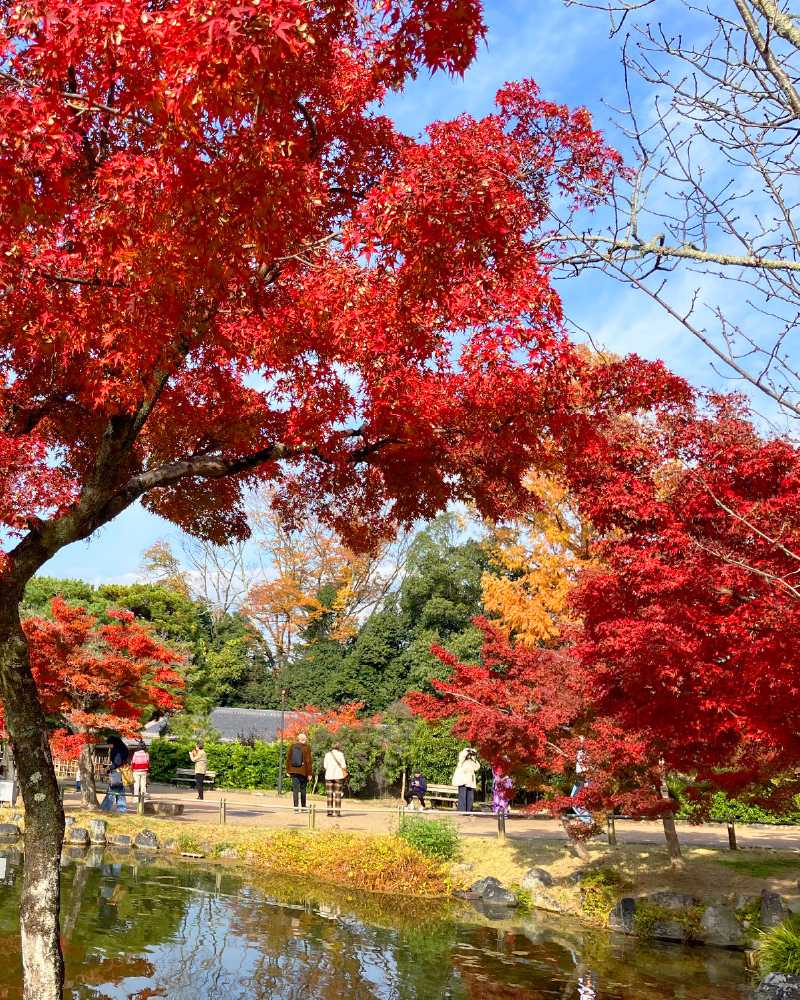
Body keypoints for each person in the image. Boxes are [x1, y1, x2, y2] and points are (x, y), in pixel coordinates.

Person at [100, 736, 128, 813]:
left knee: (111, 792)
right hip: (122, 772)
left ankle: (104, 808)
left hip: (116, 773)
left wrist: (109, 767)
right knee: (121, 793)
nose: (109, 746)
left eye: (110, 744)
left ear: (112, 743)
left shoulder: (116, 751)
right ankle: (121, 810)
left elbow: (117, 763)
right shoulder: (124, 749)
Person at [286, 732, 313, 813]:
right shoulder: (306, 748)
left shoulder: (292, 747)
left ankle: (295, 807)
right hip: (303, 771)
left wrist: (288, 770)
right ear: (303, 740)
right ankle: (303, 807)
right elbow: (309, 761)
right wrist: (310, 773)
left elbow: (288, 759)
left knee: (295, 789)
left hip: (294, 771)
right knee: (303, 789)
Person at [323, 741, 347, 818]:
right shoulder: (341, 754)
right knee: (338, 794)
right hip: (338, 776)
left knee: (329, 794)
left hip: (329, 775)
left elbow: (325, 766)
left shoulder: (327, 755)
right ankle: (337, 812)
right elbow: (343, 765)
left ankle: (329, 812)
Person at [452, 748, 480, 813]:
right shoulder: (462, 761)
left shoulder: (472, 762)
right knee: (462, 797)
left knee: (470, 797)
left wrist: (474, 759)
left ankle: (469, 810)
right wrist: (468, 750)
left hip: (470, 782)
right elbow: (462, 755)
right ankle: (462, 811)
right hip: (463, 781)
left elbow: (477, 767)